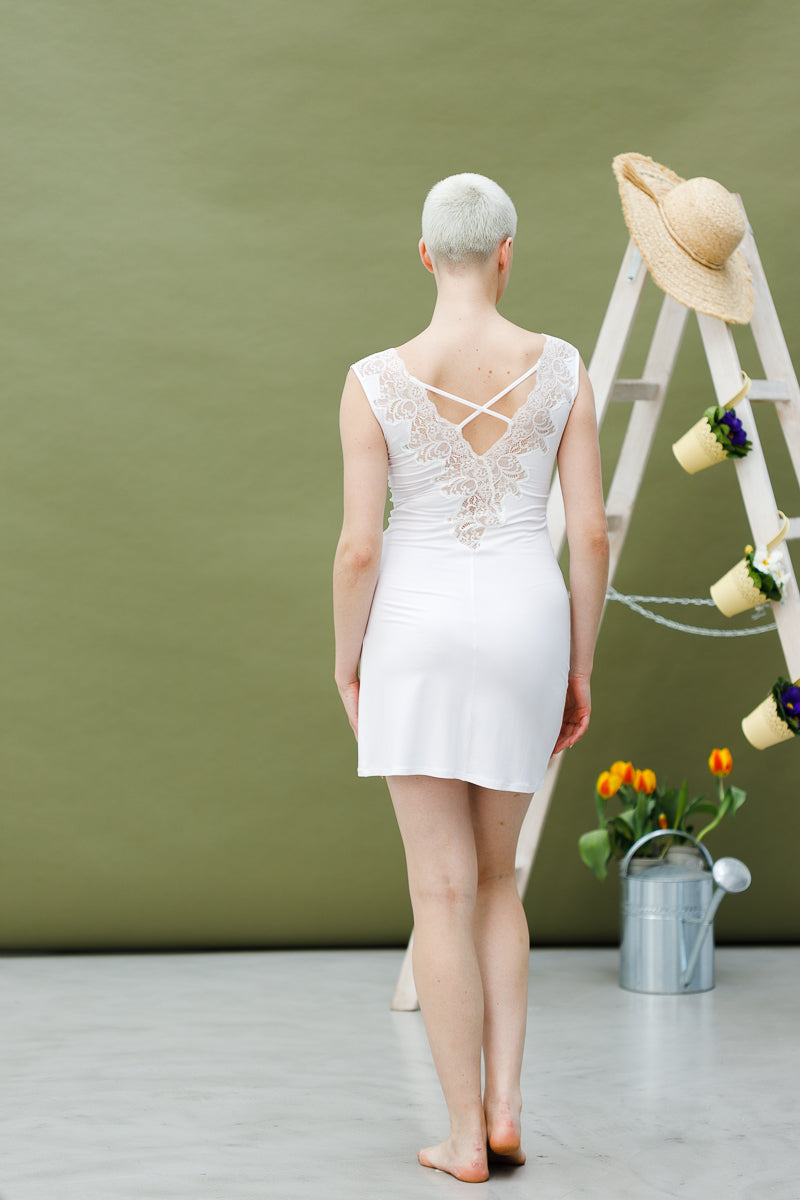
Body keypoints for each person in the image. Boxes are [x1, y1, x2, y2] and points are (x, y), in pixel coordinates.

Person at [333, 173, 608, 1183]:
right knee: (497, 881)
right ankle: (504, 1112)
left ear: (423, 255)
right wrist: (578, 663)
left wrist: (345, 661)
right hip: (526, 627)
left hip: (415, 631)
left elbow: (359, 549)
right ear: (505, 253)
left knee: (438, 890)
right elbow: (588, 533)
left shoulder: (372, 381)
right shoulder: (564, 368)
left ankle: (459, 1140)